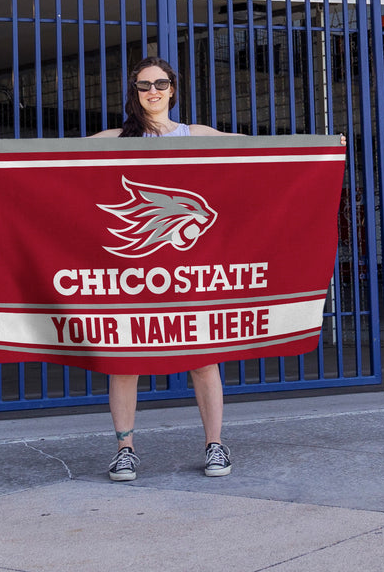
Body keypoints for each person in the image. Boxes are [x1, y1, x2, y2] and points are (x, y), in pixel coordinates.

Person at [93, 56, 238, 482]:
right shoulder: (118, 137)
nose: (152, 91)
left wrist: (320, 146)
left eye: (160, 83)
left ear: (173, 89)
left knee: (203, 356)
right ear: (134, 92)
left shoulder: (197, 135)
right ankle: (125, 450)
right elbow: (50, 159)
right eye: (143, 85)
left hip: (189, 270)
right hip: (134, 270)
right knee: (124, 359)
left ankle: (215, 445)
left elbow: (258, 148)